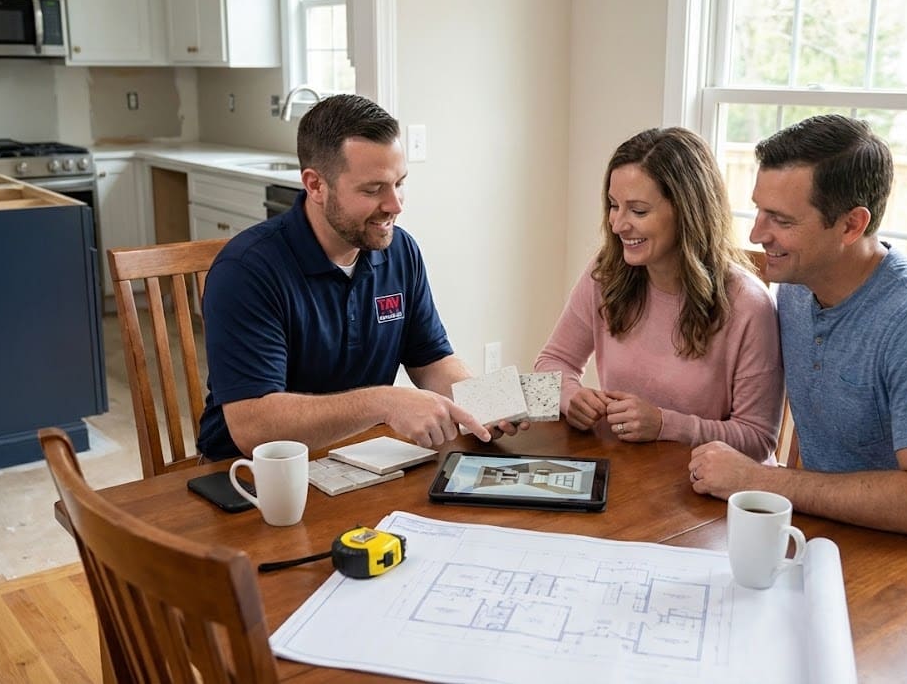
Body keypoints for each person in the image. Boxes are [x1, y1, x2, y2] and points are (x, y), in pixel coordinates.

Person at [689, 114, 907, 555]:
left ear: (852, 225)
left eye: (780, 219)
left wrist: (758, 480)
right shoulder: (797, 289)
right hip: (837, 538)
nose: (758, 234)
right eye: (759, 210)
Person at [197, 94, 517, 460]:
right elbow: (253, 427)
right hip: (249, 477)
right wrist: (383, 402)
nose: (396, 205)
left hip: (360, 459)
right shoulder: (247, 271)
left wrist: (486, 402)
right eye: (373, 189)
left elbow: (431, 360)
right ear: (315, 185)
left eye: (400, 183)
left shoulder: (400, 252)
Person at [534, 127, 784, 461]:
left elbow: (758, 439)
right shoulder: (605, 274)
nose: (618, 224)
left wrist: (666, 425)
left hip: (708, 491)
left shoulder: (748, 305)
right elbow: (553, 362)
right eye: (613, 205)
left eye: (638, 211)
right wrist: (569, 395)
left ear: (688, 212)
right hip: (629, 474)